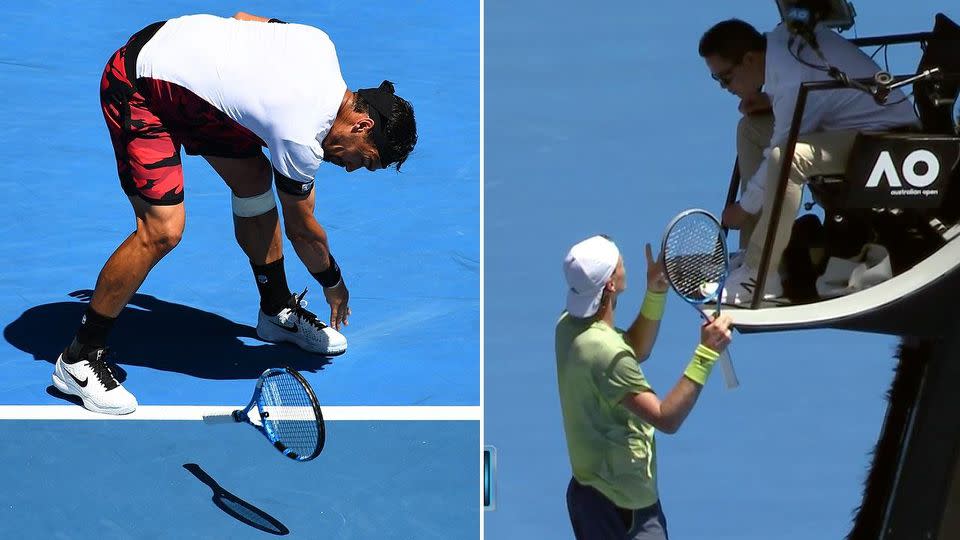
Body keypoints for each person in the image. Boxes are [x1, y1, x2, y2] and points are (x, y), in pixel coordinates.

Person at [51, 12, 418, 415]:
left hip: (185, 80)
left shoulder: (320, 44)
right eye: (363, 161)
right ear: (362, 125)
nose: (350, 169)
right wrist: (333, 283)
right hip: (139, 84)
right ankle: (79, 358)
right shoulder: (300, 134)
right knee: (162, 229)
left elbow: (243, 19)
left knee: (254, 179)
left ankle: (276, 310)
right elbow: (303, 231)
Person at [698, 18, 918, 304]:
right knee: (751, 129)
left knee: (788, 159)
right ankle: (757, 259)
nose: (724, 87)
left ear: (749, 59)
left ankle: (760, 275)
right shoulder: (779, 41)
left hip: (883, 138)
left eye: (724, 78)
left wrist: (743, 208)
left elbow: (784, 148)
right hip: (843, 128)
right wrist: (770, 99)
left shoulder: (790, 80)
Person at [556, 235, 733, 539]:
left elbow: (634, 348)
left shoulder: (568, 326)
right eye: (619, 263)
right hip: (625, 507)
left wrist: (655, 292)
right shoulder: (605, 354)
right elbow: (666, 417)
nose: (624, 263)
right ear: (611, 284)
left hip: (587, 493)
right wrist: (705, 354)